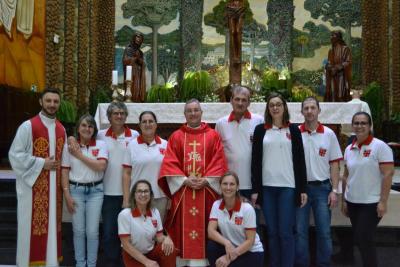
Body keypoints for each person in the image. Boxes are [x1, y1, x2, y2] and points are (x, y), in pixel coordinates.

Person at [68, 101, 139, 267]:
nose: (119, 116)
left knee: (131, 233)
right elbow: (80, 139)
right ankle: (111, 263)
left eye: (122, 113)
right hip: (107, 192)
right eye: (115, 113)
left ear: (126, 116)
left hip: (130, 192)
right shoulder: (99, 135)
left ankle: (129, 263)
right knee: (109, 233)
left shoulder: (134, 135)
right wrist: (71, 137)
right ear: (108, 117)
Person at [158, 99, 228, 266]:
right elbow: (169, 162)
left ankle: (202, 261)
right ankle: (183, 261)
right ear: (185, 114)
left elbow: (220, 161)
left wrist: (206, 180)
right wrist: (184, 180)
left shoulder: (213, 135)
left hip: (207, 191)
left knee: (206, 226)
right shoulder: (176, 136)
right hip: (183, 191)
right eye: (189, 110)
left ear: (201, 113)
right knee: (181, 227)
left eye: (196, 110)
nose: (193, 113)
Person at [9, 88, 66, 266]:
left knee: (52, 230)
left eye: (55, 101)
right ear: (41, 102)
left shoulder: (61, 129)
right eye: (48, 101)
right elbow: (15, 155)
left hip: (54, 192)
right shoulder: (28, 126)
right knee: (31, 230)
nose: (52, 105)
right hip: (32, 190)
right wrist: (42, 163)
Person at [251, 92, 307, 267]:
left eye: (278, 104)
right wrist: (255, 190)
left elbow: (300, 161)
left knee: (285, 232)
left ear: (284, 107)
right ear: (268, 109)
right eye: (272, 105)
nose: (275, 107)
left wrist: (302, 189)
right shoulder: (261, 130)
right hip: (267, 188)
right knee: (272, 232)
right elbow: (255, 162)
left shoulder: (294, 130)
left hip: (287, 188)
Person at [294, 97, 343, 267]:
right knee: (300, 232)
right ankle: (302, 264)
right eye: (306, 108)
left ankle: (323, 264)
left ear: (318, 110)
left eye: (312, 108)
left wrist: (334, 190)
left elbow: (335, 164)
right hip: (301, 189)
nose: (309, 111)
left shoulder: (329, 134)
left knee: (324, 232)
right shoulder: (295, 133)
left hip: (323, 188)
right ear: (301, 112)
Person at [342, 112, 394, 267]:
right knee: (361, 239)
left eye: (363, 123)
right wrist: (344, 200)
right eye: (356, 123)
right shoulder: (349, 149)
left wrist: (383, 202)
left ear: (370, 126)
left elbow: (388, 174)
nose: (359, 126)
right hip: (353, 202)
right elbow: (346, 176)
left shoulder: (380, 146)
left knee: (364, 238)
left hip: (371, 203)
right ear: (352, 126)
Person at [61, 114, 108, 267]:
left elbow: (101, 166)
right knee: (78, 231)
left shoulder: (101, 145)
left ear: (94, 129)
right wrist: (67, 194)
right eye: (83, 125)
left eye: (90, 126)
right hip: (76, 191)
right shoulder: (69, 146)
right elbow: (65, 171)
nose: (87, 129)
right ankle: (80, 264)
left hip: (96, 191)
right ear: (78, 128)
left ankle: (92, 264)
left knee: (92, 232)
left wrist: (79, 155)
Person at [207, 171, 264, 267]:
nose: (228, 187)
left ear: (237, 187)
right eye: (225, 184)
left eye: (232, 184)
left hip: (251, 252)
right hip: (231, 247)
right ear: (220, 186)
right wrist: (227, 243)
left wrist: (228, 257)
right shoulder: (216, 205)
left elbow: (250, 241)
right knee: (212, 246)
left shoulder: (247, 208)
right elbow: (211, 232)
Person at [118, 180, 176, 267]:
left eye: (146, 191)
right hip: (132, 256)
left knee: (169, 248)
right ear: (134, 194)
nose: (143, 194)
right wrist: (147, 262)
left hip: (150, 252)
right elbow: (126, 245)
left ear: (151, 194)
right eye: (139, 191)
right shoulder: (125, 214)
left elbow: (159, 237)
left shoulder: (155, 211)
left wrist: (166, 238)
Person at [122, 111, 168, 220]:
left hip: (160, 197)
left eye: (151, 121)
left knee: (158, 233)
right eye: (144, 122)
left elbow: (169, 173)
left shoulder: (166, 145)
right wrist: (126, 198)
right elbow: (126, 173)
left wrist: (169, 198)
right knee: (137, 233)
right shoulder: (131, 146)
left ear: (156, 124)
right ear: (140, 125)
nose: (147, 124)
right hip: (138, 197)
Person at [325, 31, 352, 102]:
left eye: (333, 36)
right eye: (331, 36)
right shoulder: (330, 51)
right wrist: (329, 66)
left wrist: (337, 68)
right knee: (332, 96)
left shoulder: (345, 49)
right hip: (332, 77)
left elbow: (348, 62)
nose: (331, 37)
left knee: (341, 96)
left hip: (341, 76)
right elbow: (329, 62)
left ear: (338, 38)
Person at [123, 32, 146, 102]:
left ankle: (138, 99)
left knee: (138, 88)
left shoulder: (140, 52)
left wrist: (139, 59)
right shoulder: (128, 49)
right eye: (137, 39)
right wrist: (135, 58)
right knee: (132, 87)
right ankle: (130, 99)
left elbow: (143, 63)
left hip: (139, 74)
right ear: (133, 39)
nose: (138, 41)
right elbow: (125, 61)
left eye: (140, 40)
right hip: (131, 73)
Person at [226, 0, 245, 65]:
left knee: (237, 31)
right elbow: (228, 13)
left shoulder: (242, 4)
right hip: (232, 14)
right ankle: (235, 56)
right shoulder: (229, 4)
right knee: (233, 32)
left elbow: (242, 13)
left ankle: (237, 56)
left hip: (240, 13)